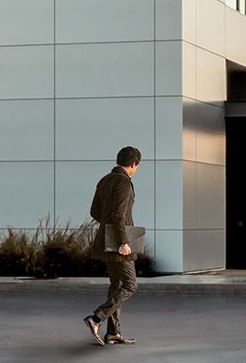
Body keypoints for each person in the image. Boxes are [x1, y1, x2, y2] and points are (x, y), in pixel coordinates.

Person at [86, 146, 143, 346]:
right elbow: (119, 215)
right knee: (130, 285)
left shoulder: (104, 180)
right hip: (120, 242)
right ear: (134, 164)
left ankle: (113, 333)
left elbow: (94, 211)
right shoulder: (124, 182)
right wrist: (123, 242)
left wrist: (108, 226)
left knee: (116, 285)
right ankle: (96, 318)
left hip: (105, 240)